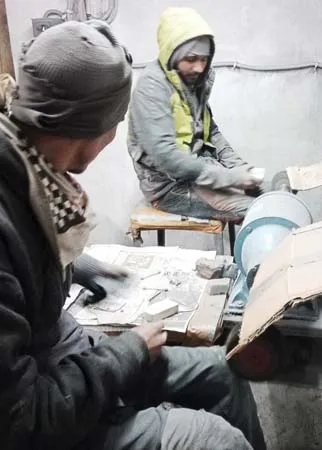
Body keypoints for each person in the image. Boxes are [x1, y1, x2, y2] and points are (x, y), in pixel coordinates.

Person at [0, 21, 265, 450]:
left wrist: (76, 265)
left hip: (68, 358)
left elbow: (25, 253)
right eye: (117, 122)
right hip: (45, 412)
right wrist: (125, 353)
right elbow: (22, 421)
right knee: (215, 440)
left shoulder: (25, 163)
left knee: (222, 370)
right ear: (92, 129)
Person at [128, 7, 263, 223]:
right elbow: (167, 157)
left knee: (267, 197)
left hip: (201, 170)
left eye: (204, 59)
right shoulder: (152, 88)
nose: (199, 67)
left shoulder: (193, 81)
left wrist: (241, 169)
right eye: (191, 58)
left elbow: (212, 132)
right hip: (170, 186)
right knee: (258, 210)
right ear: (173, 53)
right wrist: (231, 178)